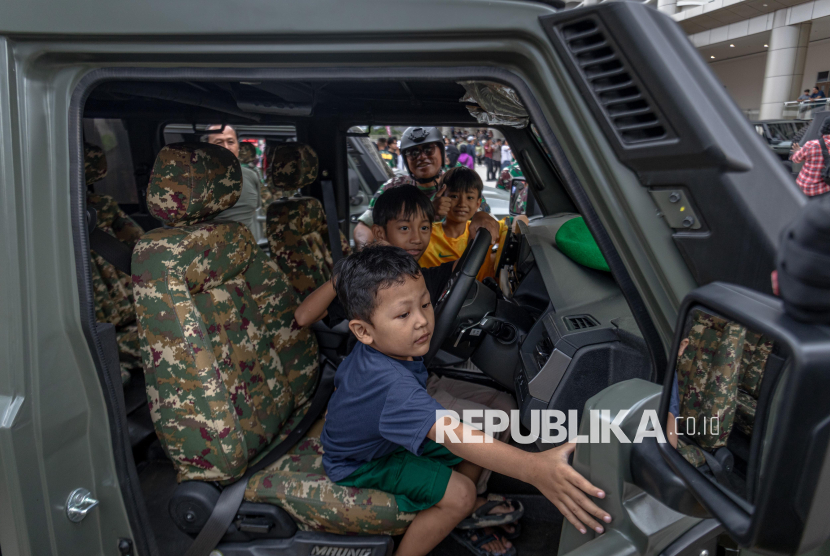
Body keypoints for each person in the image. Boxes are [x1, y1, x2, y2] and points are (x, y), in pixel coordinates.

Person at [320, 245, 612, 556]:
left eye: (426, 305)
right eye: (404, 314)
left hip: (381, 439)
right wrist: (533, 468)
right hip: (362, 463)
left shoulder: (387, 350)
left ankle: (464, 512)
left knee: (491, 419)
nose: (422, 321)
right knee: (461, 493)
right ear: (363, 331)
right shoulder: (390, 386)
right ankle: (444, 521)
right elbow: (451, 434)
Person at [353, 126, 495, 247]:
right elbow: (364, 227)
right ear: (406, 159)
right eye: (413, 153)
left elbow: (483, 214)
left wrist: (481, 216)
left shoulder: (459, 183)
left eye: (429, 150)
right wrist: (370, 256)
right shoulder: (393, 188)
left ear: (441, 152)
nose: (421, 157)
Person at [419, 167, 521, 282]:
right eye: (454, 196)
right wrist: (429, 211)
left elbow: (521, 219)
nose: (462, 203)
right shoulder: (426, 234)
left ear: (478, 203)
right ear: (441, 198)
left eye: (470, 197)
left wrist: (481, 214)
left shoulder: (484, 227)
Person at [204, 125, 263, 241]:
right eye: (219, 142)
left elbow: (255, 209)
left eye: (231, 142)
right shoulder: (194, 180)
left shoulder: (251, 176)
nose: (226, 147)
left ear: (238, 146)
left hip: (249, 254)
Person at [790, 118, 830, 197]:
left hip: (803, 189)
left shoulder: (811, 144)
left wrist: (797, 151)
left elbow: (796, 159)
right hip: (823, 191)